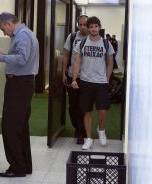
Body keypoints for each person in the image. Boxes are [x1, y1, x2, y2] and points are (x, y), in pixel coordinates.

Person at [0, 12, 39, 177]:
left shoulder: (23, 36)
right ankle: (24, 166)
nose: (3, 32)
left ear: (7, 24)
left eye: (2, 29)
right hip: (22, 84)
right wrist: (3, 54)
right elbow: (20, 58)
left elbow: (21, 60)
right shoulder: (24, 34)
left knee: (9, 127)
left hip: (20, 85)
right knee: (20, 127)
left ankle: (17, 168)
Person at [71, 16, 115, 150]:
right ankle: (88, 138)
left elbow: (110, 62)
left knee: (102, 110)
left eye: (96, 26)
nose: (93, 29)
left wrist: (107, 78)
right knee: (87, 111)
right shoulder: (82, 43)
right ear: (88, 28)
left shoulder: (106, 43)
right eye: (91, 27)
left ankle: (101, 130)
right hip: (86, 82)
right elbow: (77, 62)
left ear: (99, 27)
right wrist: (73, 79)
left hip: (101, 82)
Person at [62, 15, 88, 145]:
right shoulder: (72, 37)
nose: (83, 27)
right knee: (73, 106)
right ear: (77, 25)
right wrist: (64, 73)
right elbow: (66, 54)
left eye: (85, 24)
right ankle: (77, 126)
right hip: (73, 76)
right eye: (80, 24)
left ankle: (81, 132)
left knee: (83, 106)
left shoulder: (93, 37)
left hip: (87, 78)